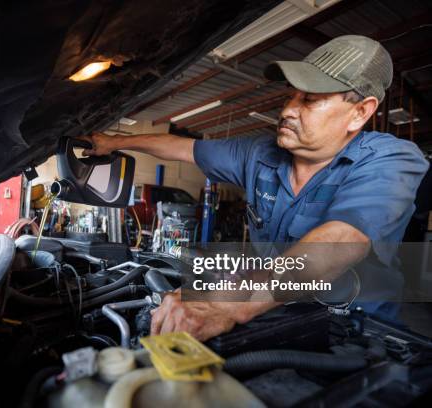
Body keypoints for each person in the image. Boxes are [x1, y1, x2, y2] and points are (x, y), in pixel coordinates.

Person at [80, 35, 429, 341]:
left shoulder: (392, 159)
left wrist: (227, 303)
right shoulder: (258, 153)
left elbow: (340, 240)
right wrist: (114, 141)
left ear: (360, 113)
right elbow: (181, 147)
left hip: (360, 333)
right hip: (274, 314)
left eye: (309, 100)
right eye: (291, 96)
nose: (287, 110)